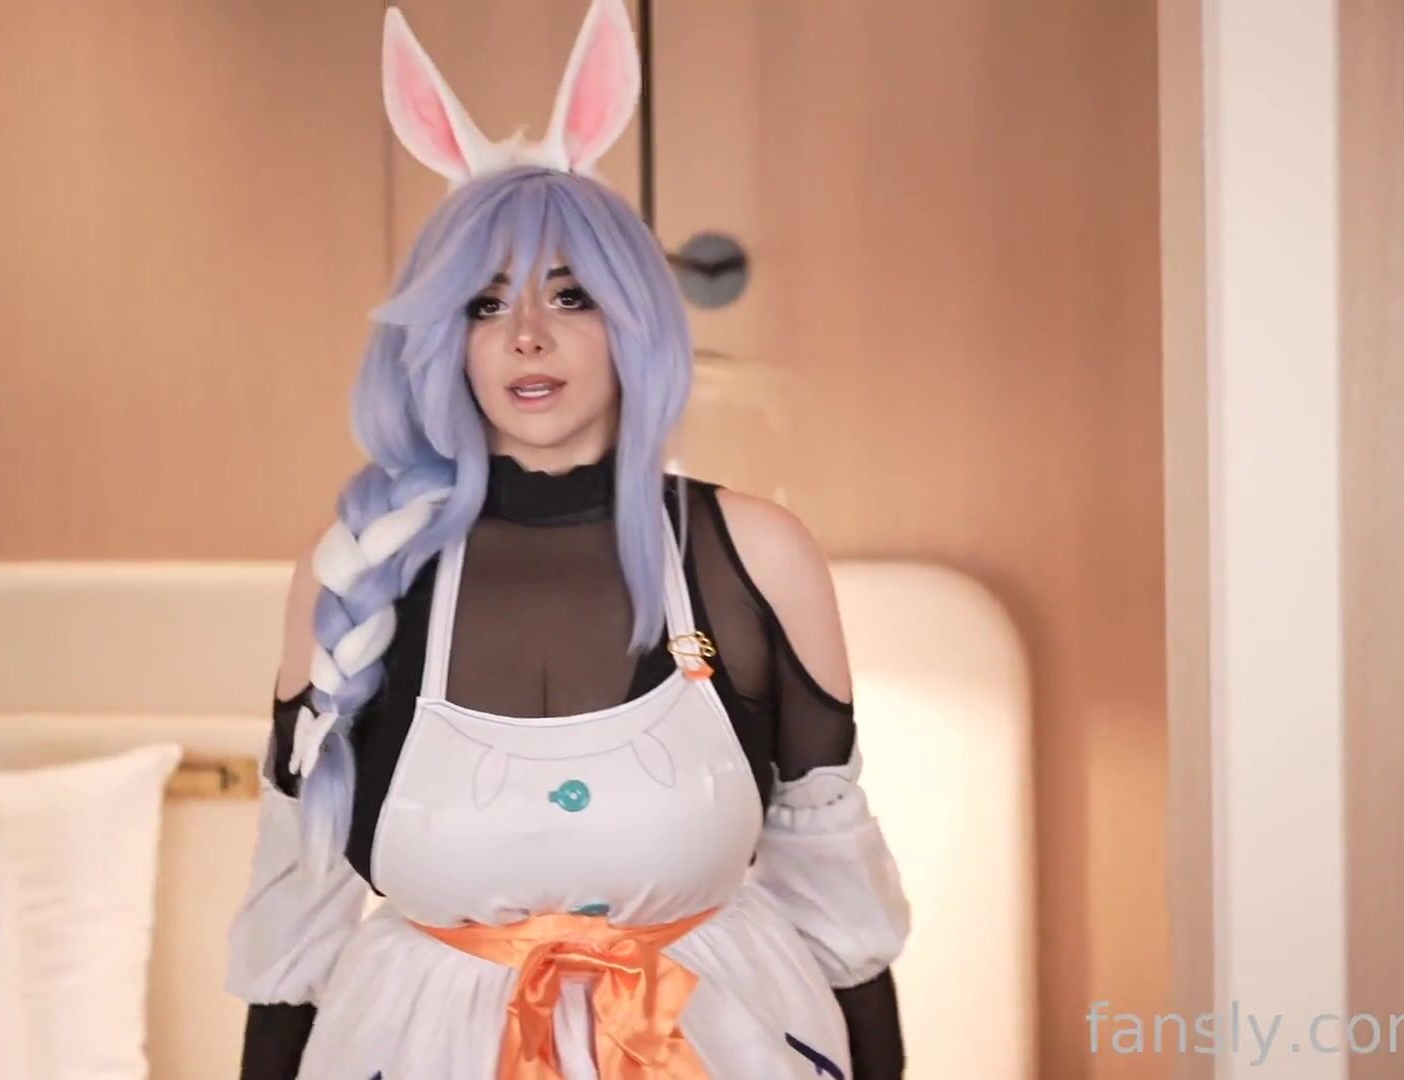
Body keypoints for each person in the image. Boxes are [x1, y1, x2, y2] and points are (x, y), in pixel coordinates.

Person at [223, 3, 911, 1077]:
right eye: (483, 304)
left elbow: (831, 873)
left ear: (637, 318)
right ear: (442, 336)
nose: (527, 337)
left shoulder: (758, 554)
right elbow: (296, 916)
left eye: (571, 296)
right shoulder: (359, 567)